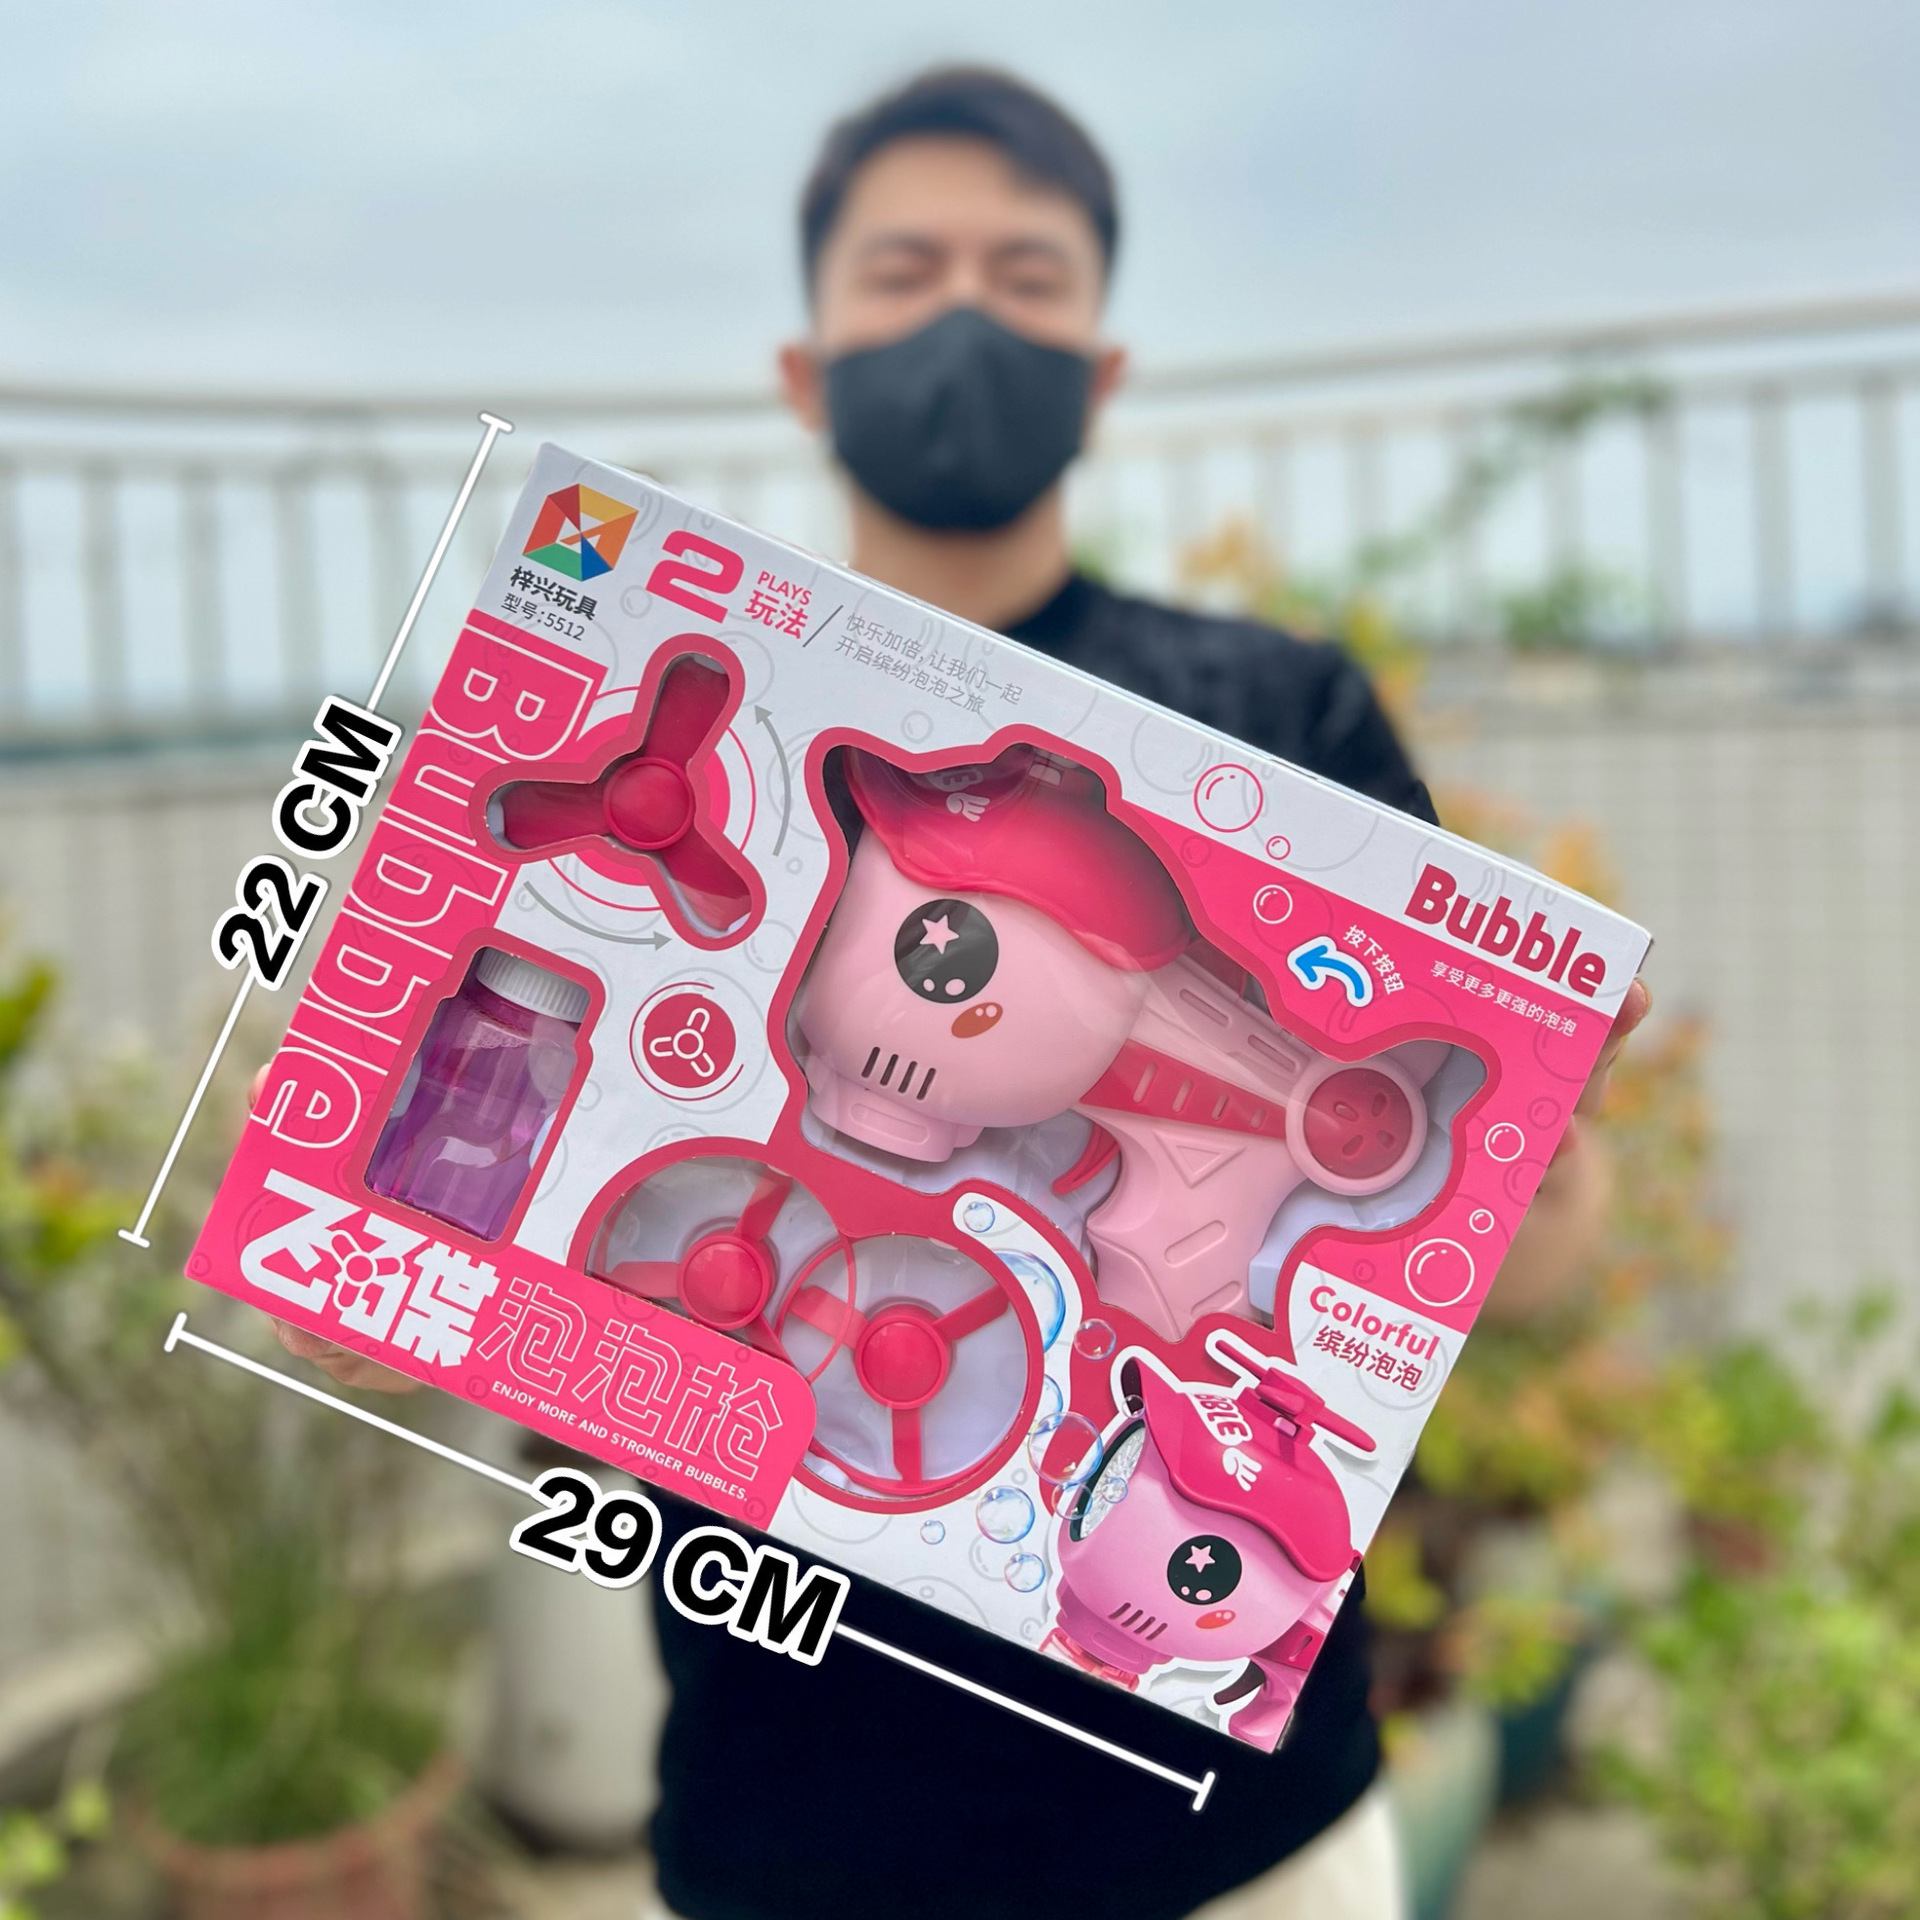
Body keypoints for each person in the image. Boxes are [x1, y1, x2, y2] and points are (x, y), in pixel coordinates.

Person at [273, 65, 1648, 1920]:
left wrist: (1521, 1139)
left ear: (1101, 367)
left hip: (1241, 1839)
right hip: (786, 1823)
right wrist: (364, 1162)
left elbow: (1516, 1272)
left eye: (1026, 276)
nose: (964, 320)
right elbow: (422, 1278)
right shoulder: (681, 709)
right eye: (906, 272)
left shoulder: (1280, 722)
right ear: (805, 366)